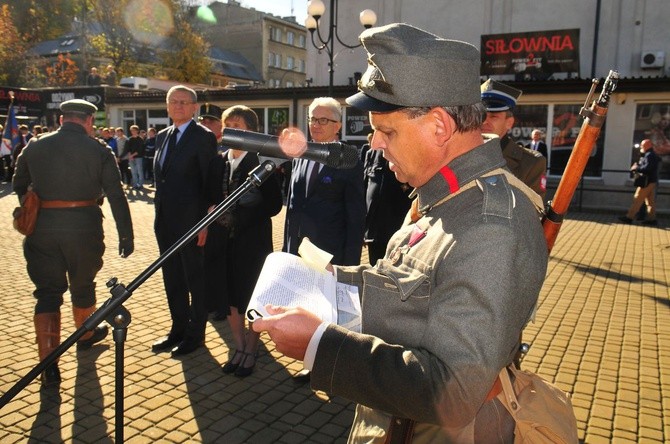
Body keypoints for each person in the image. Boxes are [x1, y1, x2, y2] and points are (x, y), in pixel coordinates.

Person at [252, 23, 548, 442]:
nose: (374, 144)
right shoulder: (447, 194)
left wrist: (319, 345)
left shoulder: (490, 226)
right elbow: (414, 293)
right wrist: (330, 283)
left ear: (440, 127)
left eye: (386, 130)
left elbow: (453, 391)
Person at [12, 99, 134, 386]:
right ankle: (86, 334)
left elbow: (18, 184)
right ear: (89, 121)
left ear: (63, 118)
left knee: (47, 293)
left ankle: (49, 366)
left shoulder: (35, 145)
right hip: (84, 228)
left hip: (42, 229)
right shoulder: (98, 149)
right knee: (83, 285)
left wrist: (34, 204)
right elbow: (116, 194)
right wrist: (126, 234)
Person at [205, 105, 283, 377]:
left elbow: (274, 205)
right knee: (229, 296)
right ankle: (237, 346)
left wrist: (242, 212)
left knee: (251, 296)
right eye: (228, 125)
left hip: (252, 243)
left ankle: (251, 349)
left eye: (239, 126)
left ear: (250, 131)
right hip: (222, 242)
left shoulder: (262, 162)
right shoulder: (219, 160)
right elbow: (211, 197)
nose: (232, 131)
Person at [151, 85, 218, 357]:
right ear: (167, 107)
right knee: (172, 277)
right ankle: (177, 328)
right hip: (165, 221)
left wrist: (204, 223)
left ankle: (195, 334)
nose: (178, 106)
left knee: (195, 278)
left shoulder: (203, 137)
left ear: (194, 108)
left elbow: (210, 182)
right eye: (173, 102)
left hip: (191, 222)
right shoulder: (162, 136)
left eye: (184, 102)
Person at [283, 97, 366, 266]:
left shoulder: (348, 160)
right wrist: (287, 249)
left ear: (337, 126)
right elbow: (292, 207)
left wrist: (349, 269)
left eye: (323, 120)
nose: (315, 125)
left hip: (329, 257)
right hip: (296, 253)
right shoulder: (300, 155)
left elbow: (355, 219)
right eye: (313, 119)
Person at [481, 79, 547, 201]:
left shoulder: (531, 164)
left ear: (509, 123)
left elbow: (532, 214)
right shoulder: (456, 154)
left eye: (493, 116)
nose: (484, 122)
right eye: (481, 116)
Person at [363, 131, 413, 265]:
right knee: (375, 273)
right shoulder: (372, 153)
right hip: (375, 233)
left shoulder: (406, 152)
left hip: (398, 233)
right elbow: (365, 189)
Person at [618, 139, 660, 226]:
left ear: (647, 146)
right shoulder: (650, 155)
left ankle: (629, 217)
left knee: (637, 199)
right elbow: (648, 167)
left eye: (642, 145)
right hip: (651, 181)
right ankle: (652, 219)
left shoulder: (649, 155)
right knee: (650, 202)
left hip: (646, 182)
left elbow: (647, 168)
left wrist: (636, 168)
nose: (641, 147)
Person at [126, 124, 145, 190]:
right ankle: (135, 184)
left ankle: (140, 184)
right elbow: (127, 148)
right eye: (131, 130)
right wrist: (129, 155)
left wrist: (132, 155)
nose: (133, 132)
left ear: (137, 131)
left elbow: (140, 150)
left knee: (139, 171)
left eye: (134, 130)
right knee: (133, 172)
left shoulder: (140, 139)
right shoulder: (129, 139)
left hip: (138, 157)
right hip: (131, 157)